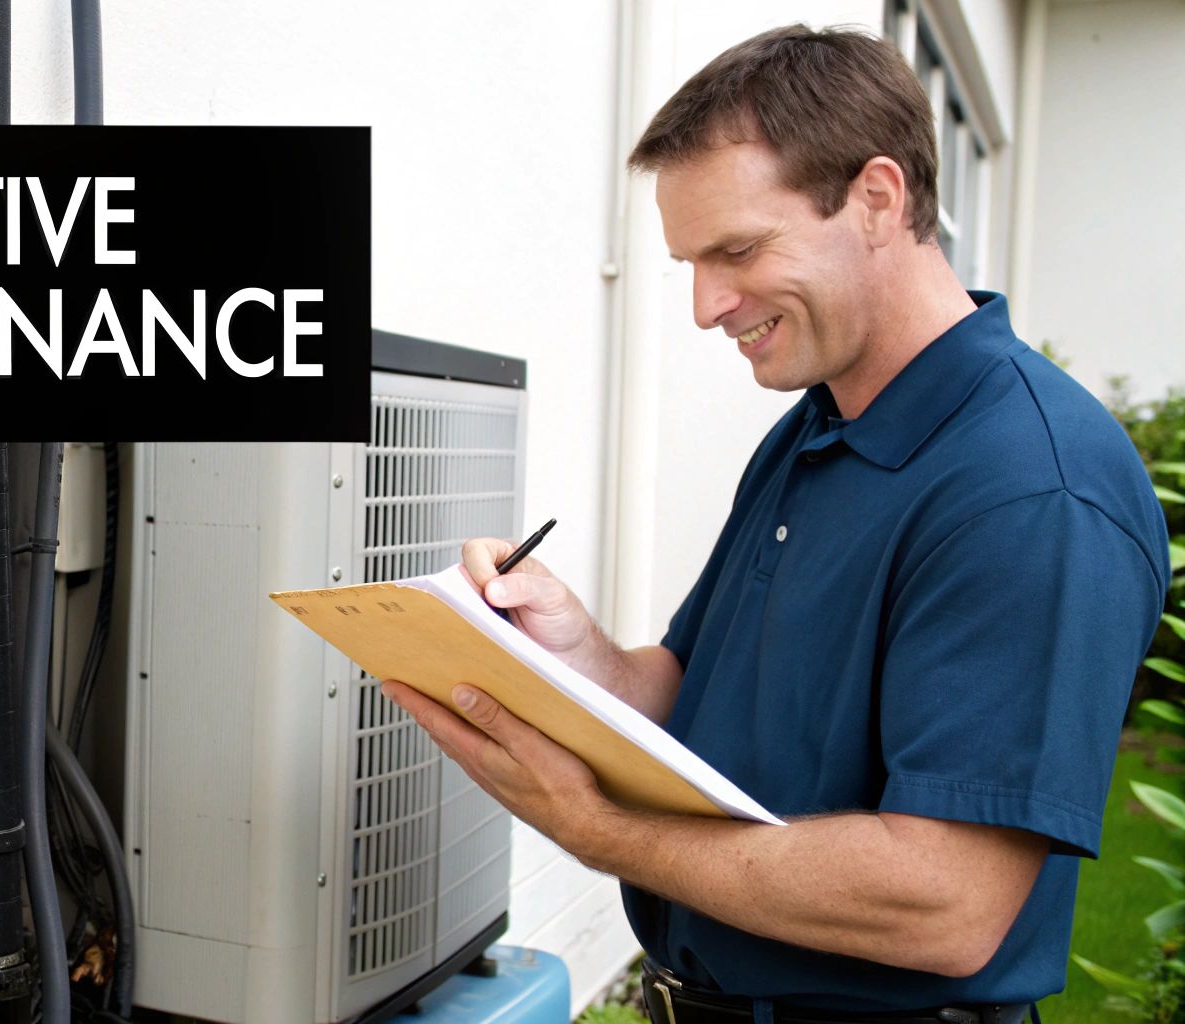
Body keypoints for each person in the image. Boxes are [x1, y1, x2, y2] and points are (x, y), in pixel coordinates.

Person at [380, 24, 1171, 1024]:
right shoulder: (817, 426)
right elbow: (691, 699)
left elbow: (945, 900)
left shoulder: (1029, 489)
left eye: (738, 250)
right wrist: (573, 648)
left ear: (876, 198)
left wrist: (602, 833)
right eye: (689, 263)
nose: (707, 304)